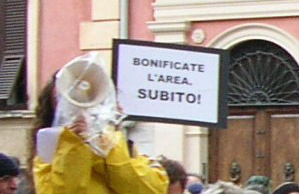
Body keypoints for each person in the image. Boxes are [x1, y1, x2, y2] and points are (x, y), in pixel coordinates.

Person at [27, 74, 187, 194]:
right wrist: (74, 143)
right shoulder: (48, 149)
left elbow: (153, 188)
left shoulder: (122, 146)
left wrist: (106, 143)